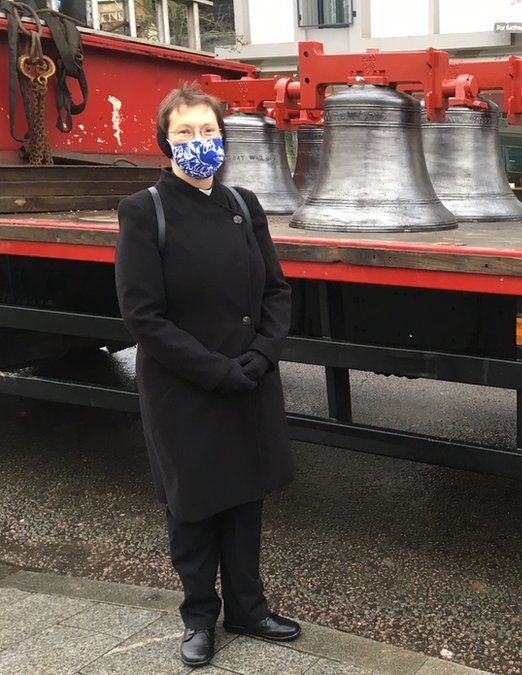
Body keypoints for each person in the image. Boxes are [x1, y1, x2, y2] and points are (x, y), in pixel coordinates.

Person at [114, 86, 299, 668]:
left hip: (249, 378)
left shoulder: (244, 203)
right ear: (164, 142)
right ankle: (199, 616)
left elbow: (276, 289)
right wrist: (216, 371)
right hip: (184, 386)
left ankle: (248, 606)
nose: (201, 143)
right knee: (192, 506)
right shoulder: (146, 210)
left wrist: (262, 356)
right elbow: (143, 315)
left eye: (209, 132)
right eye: (187, 133)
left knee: (245, 498)